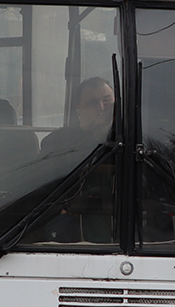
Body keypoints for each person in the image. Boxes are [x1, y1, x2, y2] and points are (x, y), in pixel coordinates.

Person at [37, 76, 116, 241]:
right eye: (93, 102)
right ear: (78, 108)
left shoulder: (127, 141)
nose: (101, 107)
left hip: (120, 223)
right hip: (70, 226)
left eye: (107, 101)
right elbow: (43, 189)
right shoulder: (56, 142)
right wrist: (64, 207)